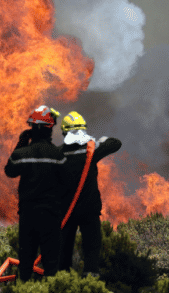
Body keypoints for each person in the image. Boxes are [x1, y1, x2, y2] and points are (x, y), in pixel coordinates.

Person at [4, 105, 66, 281]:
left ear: (32, 128)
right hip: (51, 215)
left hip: (28, 215)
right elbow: (65, 182)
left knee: (26, 261)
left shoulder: (23, 153)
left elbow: (10, 171)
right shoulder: (57, 155)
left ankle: (24, 288)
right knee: (51, 262)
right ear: (48, 128)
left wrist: (22, 142)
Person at [58, 111, 122, 276]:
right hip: (89, 210)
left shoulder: (58, 154)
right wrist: (101, 140)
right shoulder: (91, 151)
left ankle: (62, 279)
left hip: (66, 210)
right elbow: (115, 143)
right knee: (92, 246)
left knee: (64, 249)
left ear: (64, 133)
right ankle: (90, 279)